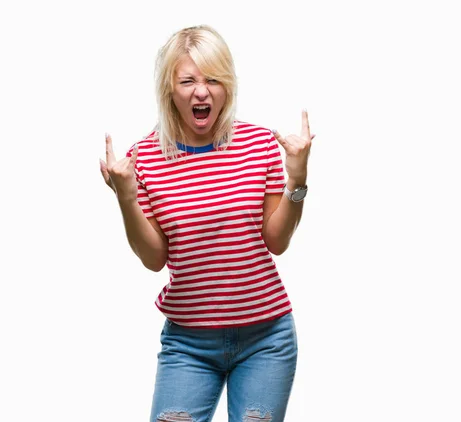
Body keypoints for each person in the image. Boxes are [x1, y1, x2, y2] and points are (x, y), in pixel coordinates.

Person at [99, 25, 314, 422]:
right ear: (169, 89)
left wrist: (296, 181)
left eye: (213, 79)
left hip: (266, 338)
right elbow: (154, 259)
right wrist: (126, 197)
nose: (202, 91)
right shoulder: (141, 159)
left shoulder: (260, 144)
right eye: (188, 81)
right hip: (188, 344)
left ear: (227, 86)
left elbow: (277, 241)